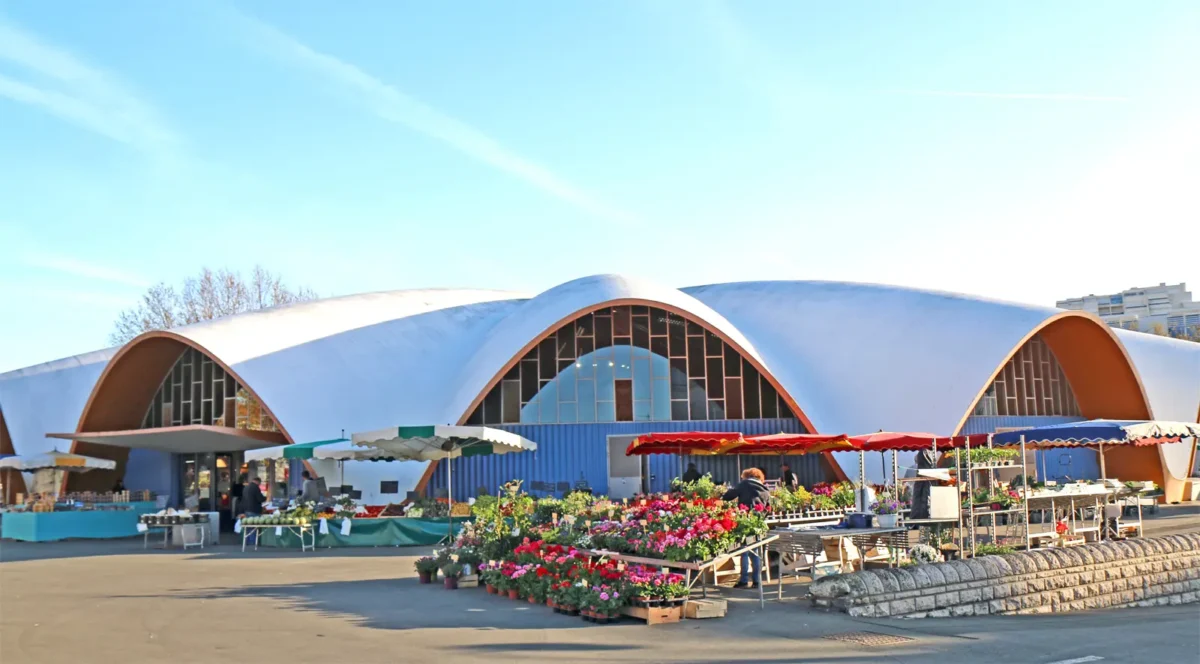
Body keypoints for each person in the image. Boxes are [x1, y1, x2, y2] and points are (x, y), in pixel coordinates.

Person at [722, 468, 771, 589]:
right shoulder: (765, 489)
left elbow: (728, 496)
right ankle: (757, 581)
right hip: (758, 524)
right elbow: (769, 508)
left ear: (746, 476)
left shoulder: (745, 484)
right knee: (756, 552)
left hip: (745, 521)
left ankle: (744, 580)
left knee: (744, 551)